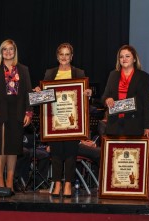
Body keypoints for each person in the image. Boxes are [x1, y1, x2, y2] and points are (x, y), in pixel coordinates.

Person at [34, 43, 90, 198]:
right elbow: (45, 95)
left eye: (67, 54)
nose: (64, 57)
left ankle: (68, 184)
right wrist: (39, 91)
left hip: (72, 120)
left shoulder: (79, 72)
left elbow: (82, 96)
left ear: (71, 56)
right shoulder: (50, 73)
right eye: (61, 54)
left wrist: (87, 93)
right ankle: (57, 182)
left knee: (71, 153)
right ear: (57, 56)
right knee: (57, 153)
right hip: (55, 120)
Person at [0, 39, 33, 195]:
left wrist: (28, 112)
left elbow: (28, 93)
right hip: (0, 114)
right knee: (2, 148)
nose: (8, 52)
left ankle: (10, 182)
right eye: (4, 49)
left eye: (11, 49)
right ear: (1, 52)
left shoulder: (23, 69)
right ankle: (0, 181)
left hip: (18, 113)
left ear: (15, 51)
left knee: (13, 149)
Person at [102, 45, 149, 139]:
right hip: (114, 124)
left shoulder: (143, 76)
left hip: (134, 124)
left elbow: (147, 103)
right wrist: (107, 99)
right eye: (121, 57)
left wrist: (147, 126)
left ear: (134, 59)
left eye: (127, 56)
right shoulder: (113, 75)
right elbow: (104, 96)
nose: (124, 59)